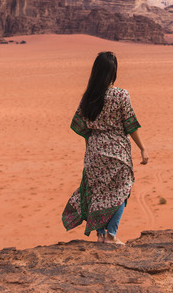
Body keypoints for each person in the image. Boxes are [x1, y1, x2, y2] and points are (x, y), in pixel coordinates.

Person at [61, 51, 148, 245]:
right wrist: (142, 148)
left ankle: (100, 235)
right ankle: (111, 234)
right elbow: (130, 124)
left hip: (94, 152)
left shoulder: (89, 97)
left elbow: (81, 126)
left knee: (98, 193)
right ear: (113, 71)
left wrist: (91, 152)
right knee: (122, 190)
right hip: (118, 153)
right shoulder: (121, 95)